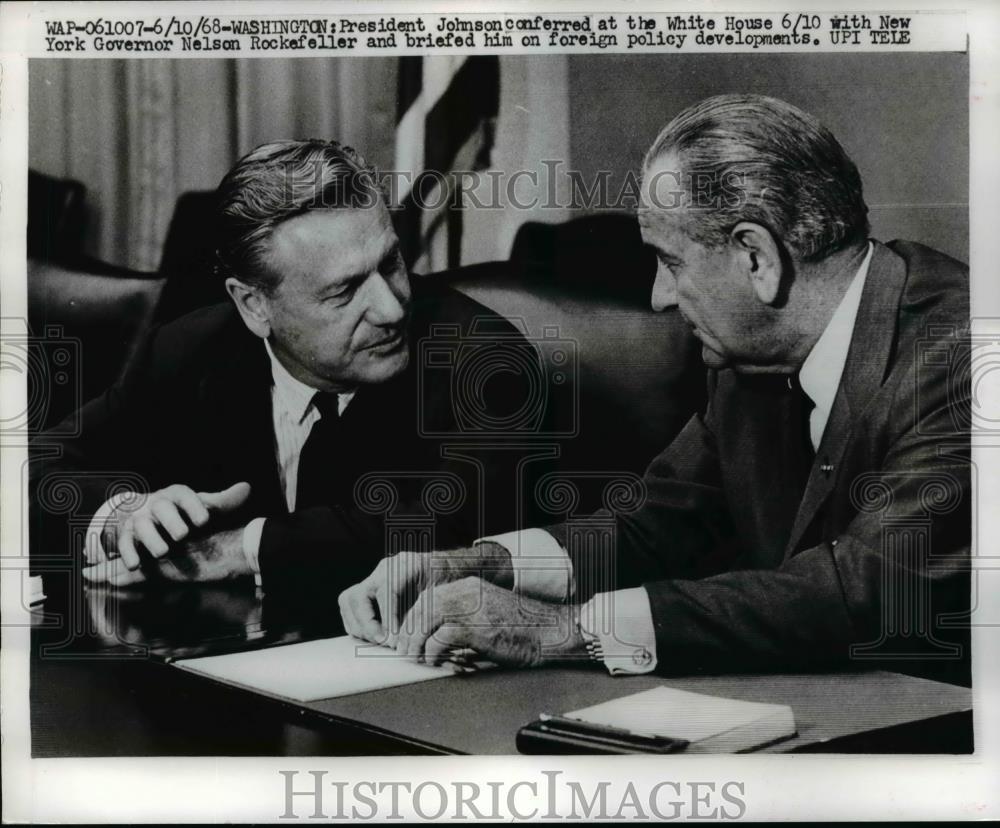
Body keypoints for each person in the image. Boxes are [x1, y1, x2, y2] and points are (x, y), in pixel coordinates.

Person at [339, 94, 971, 683]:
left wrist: (566, 632)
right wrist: (484, 563)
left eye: (670, 263)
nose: (658, 298)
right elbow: (657, 520)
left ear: (758, 258)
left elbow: (869, 590)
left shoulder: (966, 354)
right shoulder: (748, 357)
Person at [31, 139, 535, 598]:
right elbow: (36, 465)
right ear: (254, 306)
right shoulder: (188, 348)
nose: (391, 308)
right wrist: (121, 515)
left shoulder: (484, 362)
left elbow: (448, 529)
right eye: (344, 290)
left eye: (390, 264)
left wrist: (233, 550)